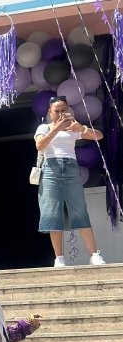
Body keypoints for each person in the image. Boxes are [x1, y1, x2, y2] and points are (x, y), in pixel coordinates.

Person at [34, 96, 107, 267]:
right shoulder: (44, 127)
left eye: (63, 110)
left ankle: (94, 255)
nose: (60, 114)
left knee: (79, 210)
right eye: (56, 111)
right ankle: (59, 258)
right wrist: (57, 129)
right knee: (52, 213)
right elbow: (40, 145)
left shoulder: (73, 127)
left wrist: (80, 128)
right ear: (50, 113)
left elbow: (99, 136)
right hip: (51, 169)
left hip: (71, 167)